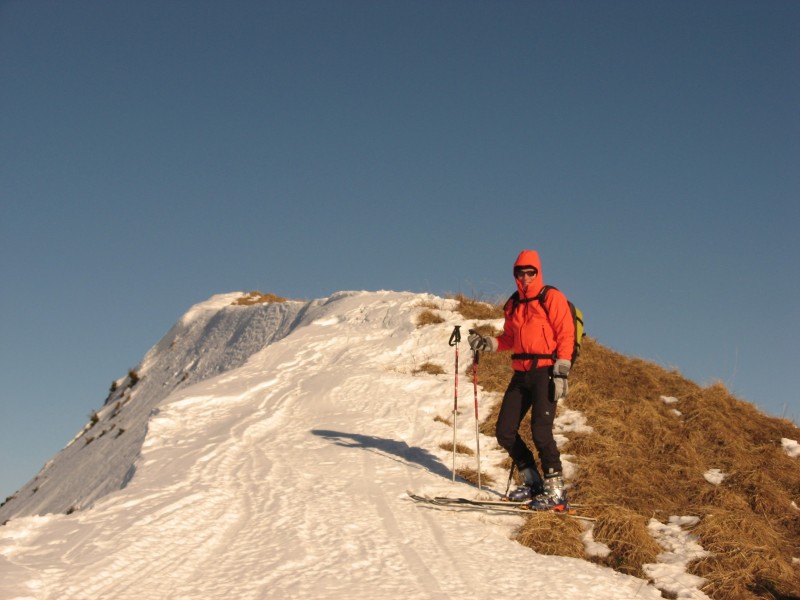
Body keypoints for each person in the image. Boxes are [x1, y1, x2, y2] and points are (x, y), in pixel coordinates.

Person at [468, 249, 575, 510]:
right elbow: (510, 339)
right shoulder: (513, 303)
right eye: (520, 272)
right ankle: (533, 481)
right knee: (504, 431)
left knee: (541, 431)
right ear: (515, 274)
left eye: (531, 272)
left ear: (538, 272)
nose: (525, 277)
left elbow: (566, 333)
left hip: (545, 372)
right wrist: (487, 343)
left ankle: (556, 492)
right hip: (521, 374)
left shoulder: (551, 297)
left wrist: (561, 370)